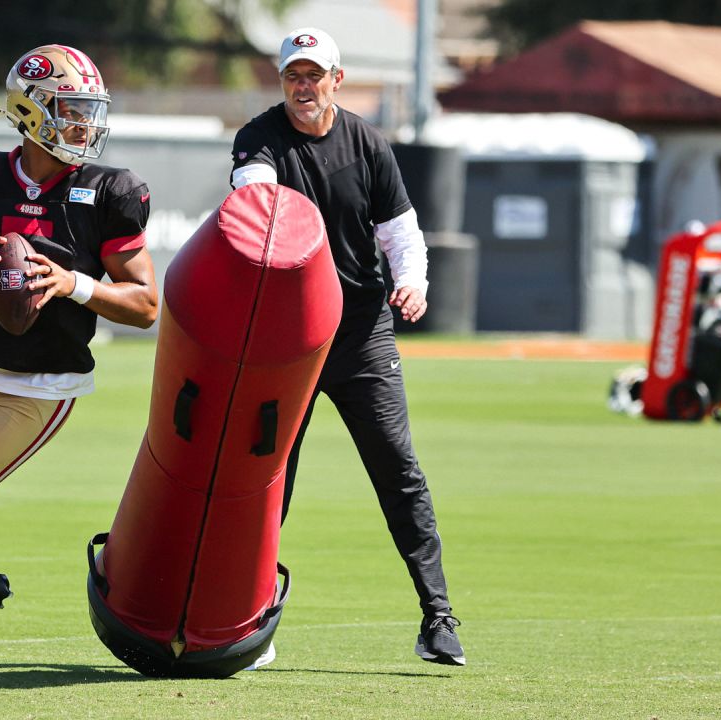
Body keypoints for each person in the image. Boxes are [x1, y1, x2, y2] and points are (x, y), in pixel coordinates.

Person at [0, 44, 158, 664]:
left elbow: (146, 304)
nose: (85, 124)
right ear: (29, 111)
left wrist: (72, 283)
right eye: (70, 110)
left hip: (34, 394)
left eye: (88, 111)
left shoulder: (109, 191)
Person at [230, 28, 465, 666]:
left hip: (361, 330)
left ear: (336, 78)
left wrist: (412, 281)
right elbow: (253, 201)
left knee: (398, 469)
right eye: (292, 77)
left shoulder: (366, 141)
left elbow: (400, 229)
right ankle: (242, 621)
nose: (303, 88)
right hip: (286, 336)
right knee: (267, 478)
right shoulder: (258, 138)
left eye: (314, 76)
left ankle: (438, 617)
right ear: (282, 82)